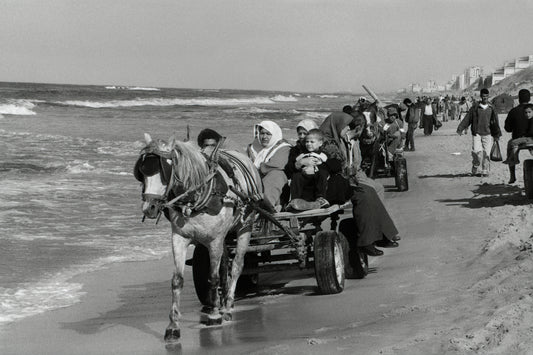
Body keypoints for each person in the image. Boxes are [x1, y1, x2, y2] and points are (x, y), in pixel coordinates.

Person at [319, 112, 400, 256]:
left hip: (342, 181)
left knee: (370, 191)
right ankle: (368, 240)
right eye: (345, 127)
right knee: (366, 194)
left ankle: (381, 234)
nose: (346, 130)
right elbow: (338, 165)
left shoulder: (337, 139)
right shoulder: (326, 142)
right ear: (336, 126)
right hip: (332, 185)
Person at [457, 88, 502, 177]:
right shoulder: (475, 107)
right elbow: (468, 118)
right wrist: (460, 128)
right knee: (476, 152)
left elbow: (495, 122)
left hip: (488, 133)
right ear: (481, 96)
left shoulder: (491, 108)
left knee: (487, 153)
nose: (485, 98)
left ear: (488, 96)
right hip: (476, 133)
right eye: (483, 96)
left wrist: (497, 134)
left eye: (486, 96)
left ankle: (485, 170)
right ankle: (476, 164)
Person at [247, 120, 291, 211]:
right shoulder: (256, 148)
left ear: (274, 134)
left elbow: (276, 165)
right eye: (262, 133)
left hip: (276, 185)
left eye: (268, 134)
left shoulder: (284, 148)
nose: (264, 137)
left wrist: (257, 168)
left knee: (276, 174)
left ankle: (267, 205)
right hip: (256, 181)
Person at [288, 129, 331, 208]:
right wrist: (300, 164)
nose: (308, 144)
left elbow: (327, 164)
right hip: (304, 175)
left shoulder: (322, 155)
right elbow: (295, 162)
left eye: (312, 142)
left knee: (322, 173)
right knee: (296, 176)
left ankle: (321, 198)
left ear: (320, 143)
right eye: (307, 142)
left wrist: (316, 167)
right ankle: (294, 199)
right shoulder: (302, 154)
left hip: (316, 175)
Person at [502, 89, 532, 183]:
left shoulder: (513, 111)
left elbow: (508, 128)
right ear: (529, 98)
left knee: (510, 146)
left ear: (519, 99)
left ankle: (512, 176)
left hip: (518, 139)